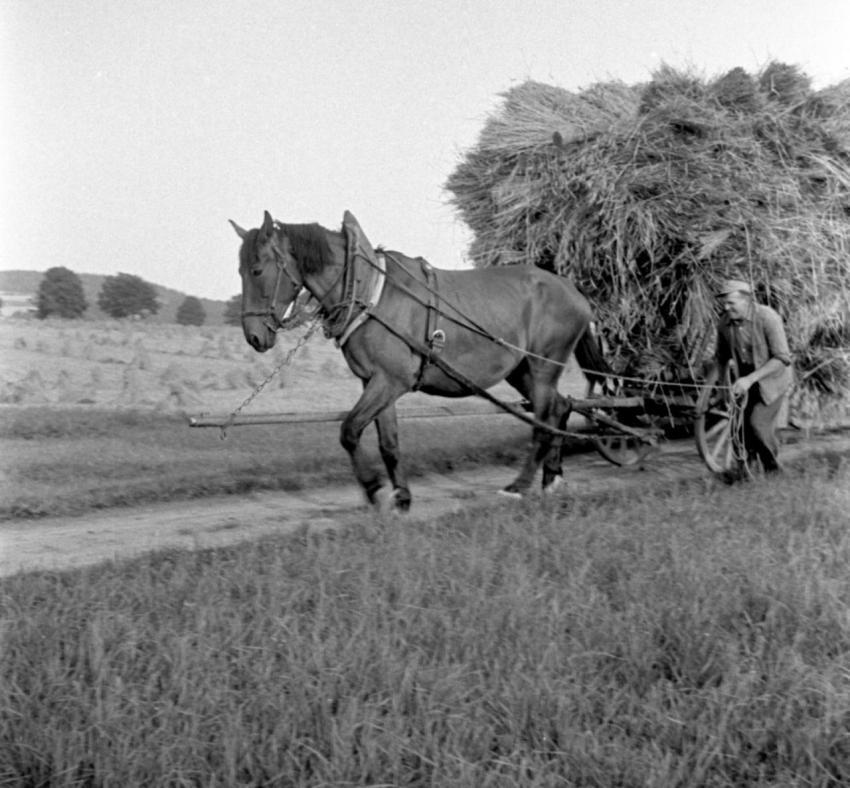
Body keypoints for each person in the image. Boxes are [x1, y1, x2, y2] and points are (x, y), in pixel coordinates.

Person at [712, 278, 793, 480]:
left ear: (746, 300)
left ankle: (773, 470)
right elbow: (721, 358)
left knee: (757, 424)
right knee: (738, 427)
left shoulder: (767, 318)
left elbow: (782, 358)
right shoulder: (724, 324)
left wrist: (750, 379)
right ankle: (745, 472)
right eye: (724, 303)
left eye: (731, 303)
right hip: (744, 380)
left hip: (772, 379)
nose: (726, 307)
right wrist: (722, 389)